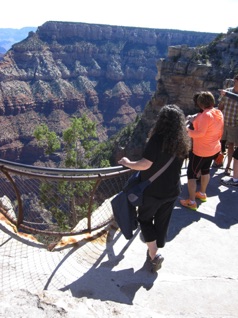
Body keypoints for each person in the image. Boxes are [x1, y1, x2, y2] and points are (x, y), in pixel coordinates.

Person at [118, 105, 191, 272]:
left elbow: (145, 164)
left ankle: (154, 255)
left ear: (162, 120)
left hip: (153, 191)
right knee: (162, 222)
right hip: (173, 190)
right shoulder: (182, 140)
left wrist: (128, 163)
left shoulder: (157, 139)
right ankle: (154, 250)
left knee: (144, 219)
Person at [180, 91, 224, 211]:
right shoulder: (218, 112)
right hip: (213, 148)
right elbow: (213, 128)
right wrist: (194, 119)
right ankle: (202, 193)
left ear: (200, 103)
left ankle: (192, 201)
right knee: (205, 171)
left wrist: (186, 130)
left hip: (201, 151)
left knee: (192, 174)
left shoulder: (205, 115)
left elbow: (199, 133)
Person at [218, 74, 238, 176]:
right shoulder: (227, 92)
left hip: (233, 124)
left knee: (231, 145)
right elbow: (221, 105)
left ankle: (228, 166)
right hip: (222, 122)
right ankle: (218, 161)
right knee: (219, 143)